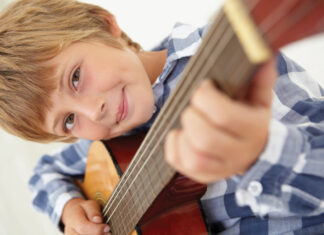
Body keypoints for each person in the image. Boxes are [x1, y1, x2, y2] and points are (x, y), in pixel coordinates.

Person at [1, 0, 324, 234]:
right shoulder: (111, 140)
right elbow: (45, 172)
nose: (92, 111)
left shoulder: (221, 57)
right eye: (68, 121)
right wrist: (69, 210)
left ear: (104, 26)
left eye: (74, 77)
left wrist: (259, 153)